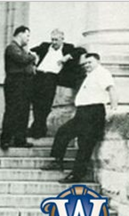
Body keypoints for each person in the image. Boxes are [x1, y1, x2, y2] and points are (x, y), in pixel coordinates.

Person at [41, 53, 118, 183]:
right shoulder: (90, 75)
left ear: (98, 61)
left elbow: (112, 90)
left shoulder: (102, 73)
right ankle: (58, 161)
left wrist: (113, 109)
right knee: (63, 132)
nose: (87, 65)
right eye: (85, 63)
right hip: (83, 112)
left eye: (90, 62)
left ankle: (77, 175)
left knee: (85, 144)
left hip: (93, 112)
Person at [28, 29, 81, 139]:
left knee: (45, 104)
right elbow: (31, 50)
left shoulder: (68, 48)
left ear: (62, 39)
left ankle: (38, 129)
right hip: (39, 75)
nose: (54, 42)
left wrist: (68, 56)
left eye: (56, 40)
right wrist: (34, 62)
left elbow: (81, 50)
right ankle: (38, 128)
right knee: (36, 103)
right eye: (52, 39)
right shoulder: (45, 46)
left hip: (51, 78)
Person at [0, 26, 37, 150]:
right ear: (20, 34)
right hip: (15, 82)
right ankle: (5, 139)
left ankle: (20, 139)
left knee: (23, 112)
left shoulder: (21, 49)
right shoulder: (12, 48)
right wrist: (33, 57)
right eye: (27, 36)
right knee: (12, 111)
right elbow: (22, 60)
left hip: (24, 83)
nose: (28, 39)